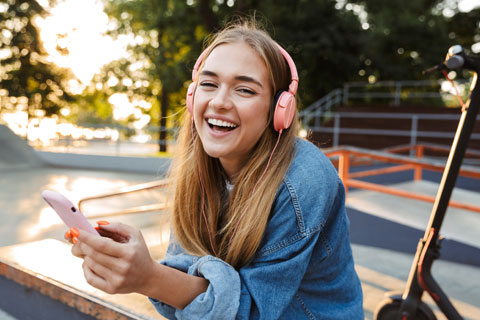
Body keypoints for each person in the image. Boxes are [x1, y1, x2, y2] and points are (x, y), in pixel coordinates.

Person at [66, 18, 364, 319]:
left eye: (244, 90)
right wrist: (132, 265)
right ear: (192, 97)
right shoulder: (200, 168)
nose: (219, 102)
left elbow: (251, 313)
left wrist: (149, 278)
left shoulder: (304, 182)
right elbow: (188, 284)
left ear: (279, 110)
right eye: (209, 84)